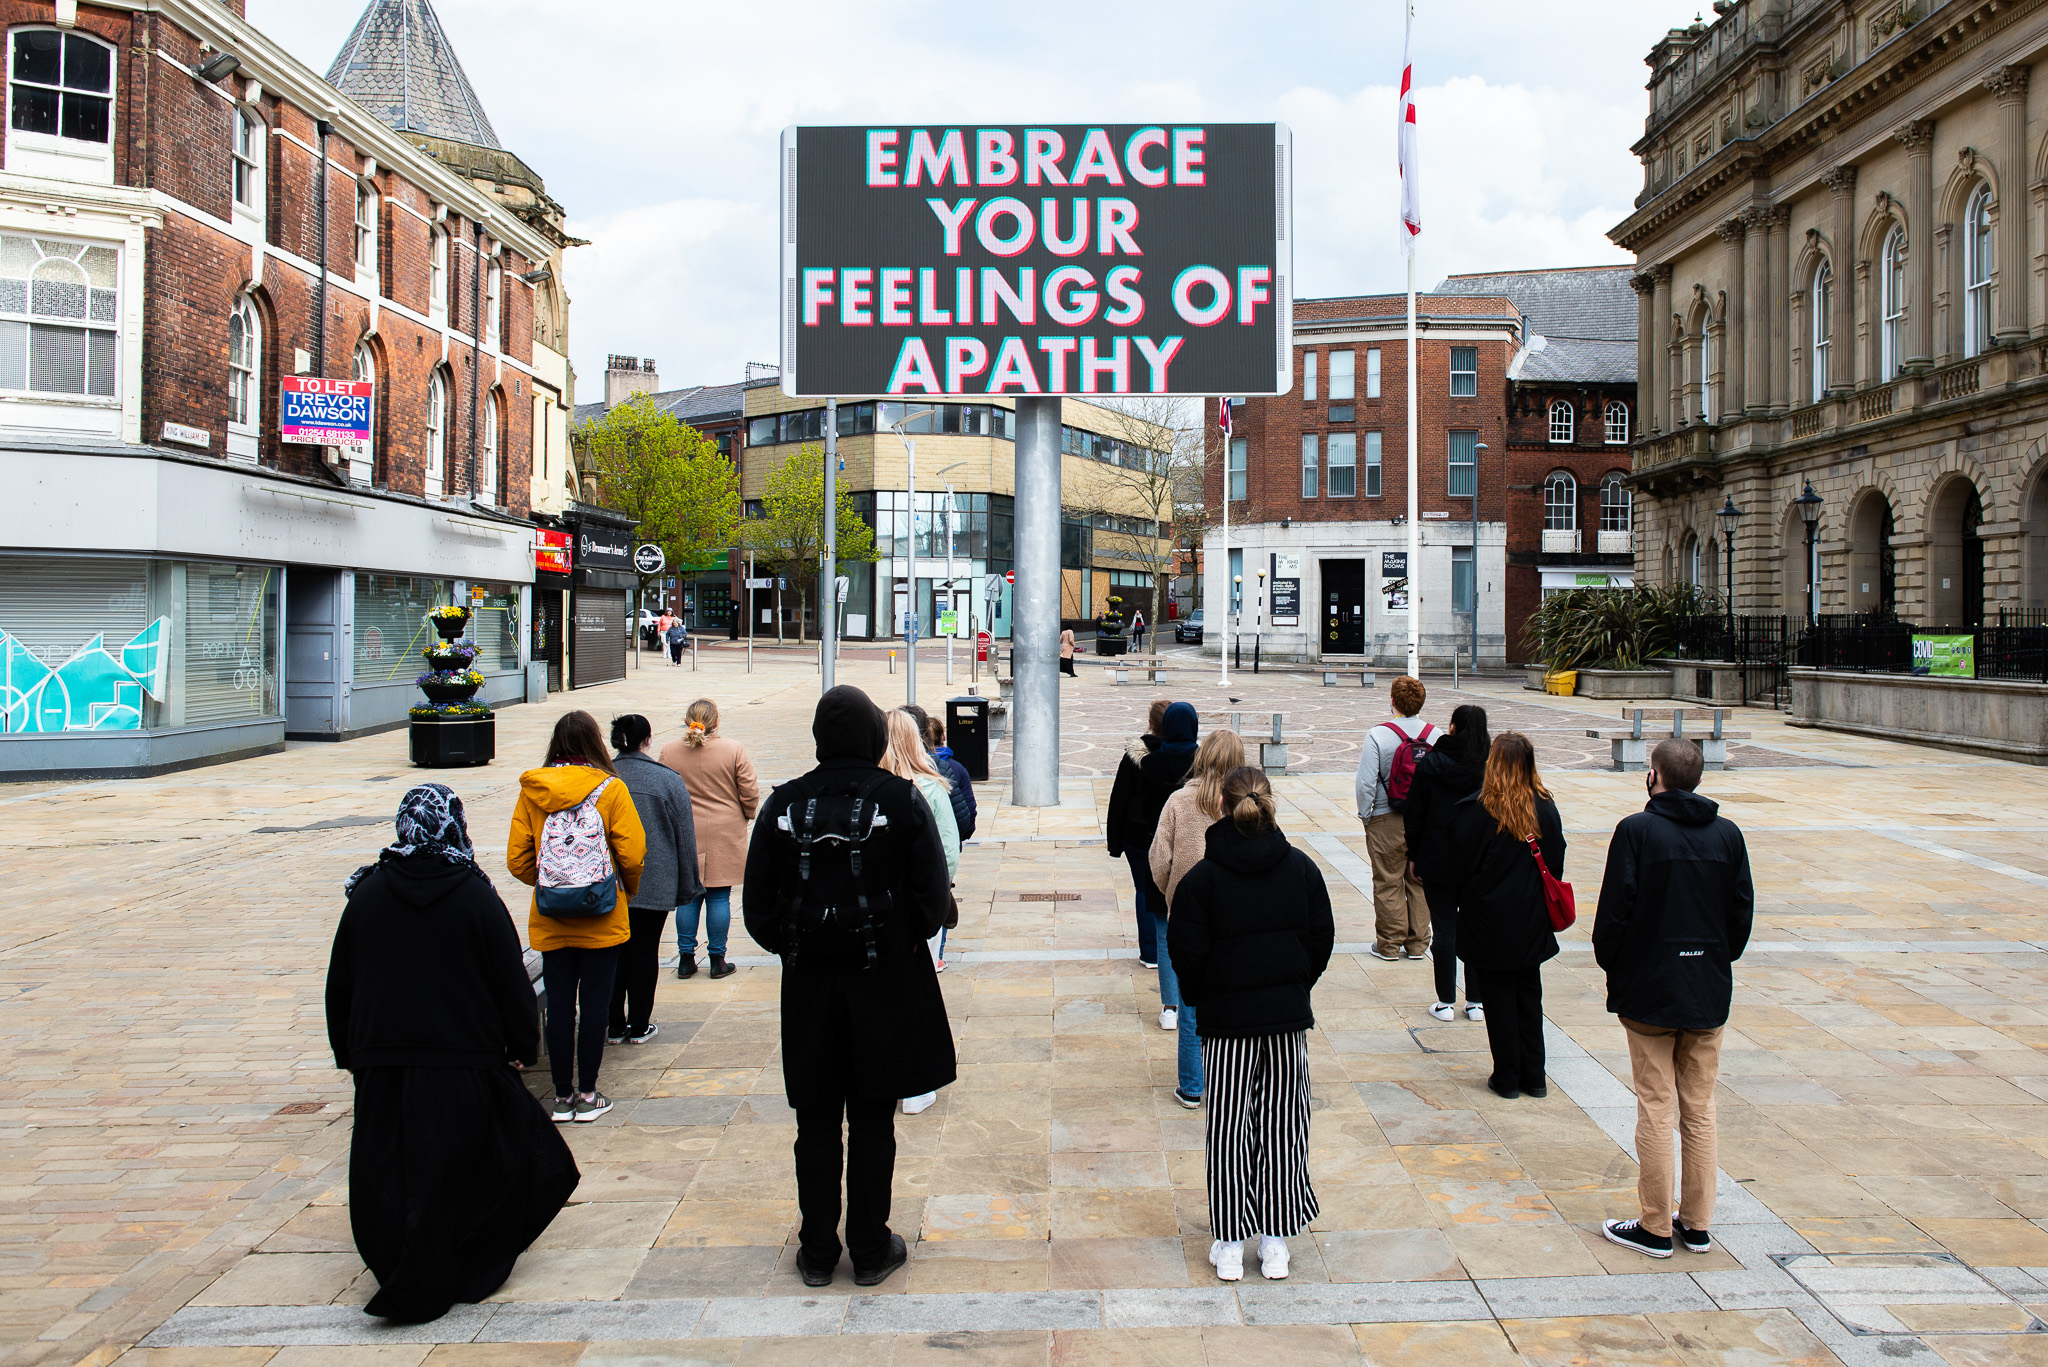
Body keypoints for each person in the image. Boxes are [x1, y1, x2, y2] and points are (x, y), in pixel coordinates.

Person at [327, 784, 579, 1324]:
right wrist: (520, 1047)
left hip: (383, 1059)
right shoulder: (474, 894)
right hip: (463, 1059)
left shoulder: (366, 895)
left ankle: (403, 1262)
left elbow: (341, 984)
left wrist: (349, 1052)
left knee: (388, 1167)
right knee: (461, 1165)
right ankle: (458, 1261)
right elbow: (510, 982)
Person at [743, 685, 955, 1289]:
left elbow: (757, 908)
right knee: (870, 1119)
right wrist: (896, 942)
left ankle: (816, 1250)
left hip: (809, 988)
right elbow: (931, 899)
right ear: (870, 736)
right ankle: (867, 1246)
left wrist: (799, 945)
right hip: (881, 983)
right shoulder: (902, 799)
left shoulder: (784, 804)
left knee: (814, 1121)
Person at [1169, 765, 1334, 1284]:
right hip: (1284, 1021)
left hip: (1227, 1024)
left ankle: (1230, 1240)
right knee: (1285, 1129)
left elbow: (1185, 953)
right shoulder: (1302, 869)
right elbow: (1321, 939)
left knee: (1229, 1130)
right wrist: (1295, 984)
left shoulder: (1202, 879)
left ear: (1221, 806)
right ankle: (1276, 1242)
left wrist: (1202, 1000)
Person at [1596, 737, 1755, 1260]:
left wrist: (1616, 966)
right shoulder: (1727, 836)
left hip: (1650, 988)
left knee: (1657, 1106)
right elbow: (1740, 915)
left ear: (1654, 775)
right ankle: (1698, 1222)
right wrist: (1711, 960)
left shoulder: (1637, 831)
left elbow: (1614, 913)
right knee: (1700, 1109)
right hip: (1705, 988)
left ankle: (1656, 1225)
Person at [508, 711, 646, 1123]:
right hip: (602, 916)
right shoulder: (611, 788)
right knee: (596, 1007)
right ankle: (588, 1093)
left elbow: (517, 858)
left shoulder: (533, 790)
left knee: (561, 1005)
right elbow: (633, 852)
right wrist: (617, 888)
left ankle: (562, 1097)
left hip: (551, 918)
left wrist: (554, 882)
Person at [1449, 732, 1564, 1101]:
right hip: (1531, 917)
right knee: (1530, 996)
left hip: (1488, 919)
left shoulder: (1475, 810)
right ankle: (1535, 1076)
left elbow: (1458, 869)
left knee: (1498, 1000)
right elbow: (1556, 861)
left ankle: (1508, 1076)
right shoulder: (1544, 806)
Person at [1146, 727, 1246, 1108]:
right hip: (1235, 915)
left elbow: (1160, 859)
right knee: (1231, 1002)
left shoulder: (1178, 802)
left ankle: (1193, 1085)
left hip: (1187, 915)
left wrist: (1173, 892)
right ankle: (1230, 1082)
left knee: (1190, 1007)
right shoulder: (1248, 801)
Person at [606, 714, 703, 1045]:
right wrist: (688, 882)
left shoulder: (602, 776)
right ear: (647, 741)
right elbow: (685, 837)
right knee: (645, 950)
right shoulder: (666, 780)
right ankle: (638, 1025)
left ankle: (614, 1024)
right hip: (654, 876)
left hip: (608, 881)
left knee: (613, 951)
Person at [882, 707, 961, 1113]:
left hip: (873, 908)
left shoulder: (870, 786)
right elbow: (948, 850)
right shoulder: (928, 788)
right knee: (916, 993)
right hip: (917, 907)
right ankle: (914, 1089)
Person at [1402, 704, 1491, 1023]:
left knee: (1444, 928)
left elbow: (1415, 814)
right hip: (1479, 859)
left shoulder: (1432, 762)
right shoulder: (1489, 766)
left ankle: (1445, 1001)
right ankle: (1477, 1001)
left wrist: (1414, 854)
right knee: (1477, 929)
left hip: (1437, 856)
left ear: (1453, 727)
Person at [659, 699, 759, 979]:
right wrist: (746, 814)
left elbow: (663, 790)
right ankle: (717, 958)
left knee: (688, 898)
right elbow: (749, 790)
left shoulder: (669, 751)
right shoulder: (733, 749)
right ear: (716, 722)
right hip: (724, 829)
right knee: (719, 897)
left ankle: (685, 958)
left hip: (686, 830)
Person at [1354, 675, 1437, 961]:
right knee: (1420, 880)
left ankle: (1389, 944)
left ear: (1392, 701)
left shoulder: (1379, 734)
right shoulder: (1435, 735)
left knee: (1388, 880)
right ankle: (1417, 944)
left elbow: (1366, 783)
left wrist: (1367, 816)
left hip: (1386, 817)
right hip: (1424, 821)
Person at [1106, 699, 1173, 971]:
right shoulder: (1190, 756)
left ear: (1151, 723)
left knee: (1144, 889)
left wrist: (1114, 841)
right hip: (1174, 833)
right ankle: (1173, 947)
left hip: (1138, 833)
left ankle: (1150, 952)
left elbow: (1119, 798)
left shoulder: (1135, 755)